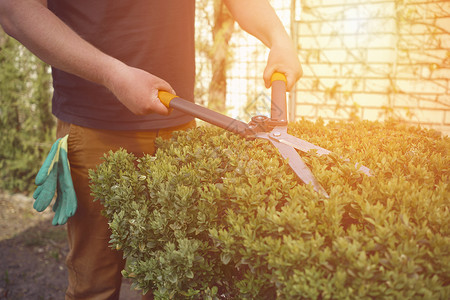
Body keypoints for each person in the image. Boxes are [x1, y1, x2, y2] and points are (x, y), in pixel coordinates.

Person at [0, 0, 302, 299]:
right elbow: (16, 10)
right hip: (94, 126)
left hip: (179, 131)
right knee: (93, 288)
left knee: (174, 283)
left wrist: (278, 38)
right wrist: (112, 73)